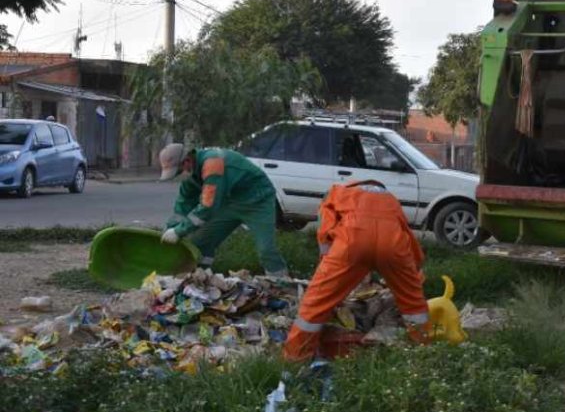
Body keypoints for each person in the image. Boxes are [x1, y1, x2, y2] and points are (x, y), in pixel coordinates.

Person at [283, 180, 431, 361]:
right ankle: (424, 354)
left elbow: (325, 233)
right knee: (414, 307)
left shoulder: (336, 193)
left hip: (352, 242)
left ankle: (295, 358)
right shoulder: (390, 200)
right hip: (394, 247)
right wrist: (414, 272)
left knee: (314, 306)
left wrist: (327, 277)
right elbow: (406, 234)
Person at [158, 143, 288, 278]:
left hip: (258, 200)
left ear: (187, 161)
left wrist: (179, 231)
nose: (177, 176)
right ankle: (199, 277)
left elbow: (207, 207)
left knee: (266, 249)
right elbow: (183, 204)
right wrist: (171, 228)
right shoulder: (191, 174)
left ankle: (280, 283)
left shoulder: (213, 164)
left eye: (178, 171)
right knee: (201, 243)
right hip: (230, 201)